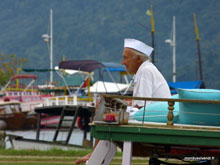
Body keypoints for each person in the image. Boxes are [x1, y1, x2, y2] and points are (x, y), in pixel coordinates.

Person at [74, 38, 171, 165]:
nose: (123, 62)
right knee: (106, 109)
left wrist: (115, 108)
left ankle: (94, 155)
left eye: (126, 58)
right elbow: (140, 104)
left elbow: (141, 106)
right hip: (153, 115)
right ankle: (95, 155)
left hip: (153, 117)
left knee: (105, 108)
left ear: (138, 59)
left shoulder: (145, 71)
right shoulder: (145, 69)